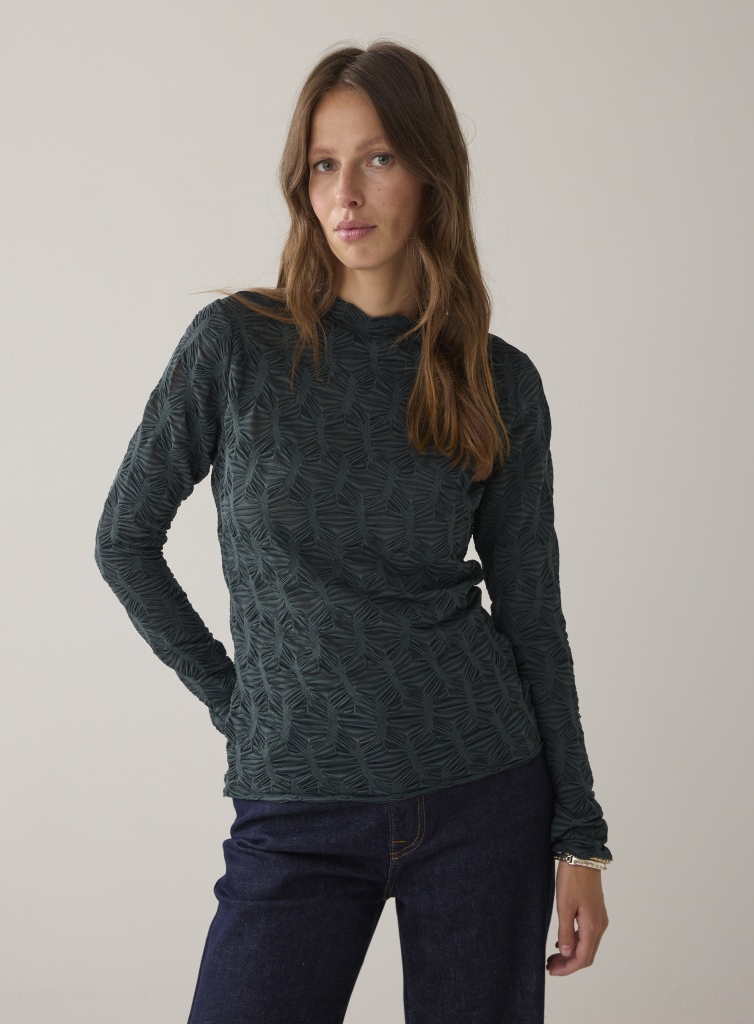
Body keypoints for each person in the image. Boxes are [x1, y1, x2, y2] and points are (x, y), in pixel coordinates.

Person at [94, 39, 612, 1024]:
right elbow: (124, 538)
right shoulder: (237, 346)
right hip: (297, 807)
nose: (346, 192)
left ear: (430, 173)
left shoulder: (497, 379)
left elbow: (533, 616)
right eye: (323, 164)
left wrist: (579, 836)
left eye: (377, 157)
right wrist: (238, 702)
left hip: (484, 793)